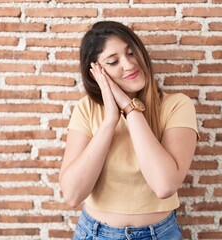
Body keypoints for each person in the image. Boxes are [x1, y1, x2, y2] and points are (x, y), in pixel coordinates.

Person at [59, 21, 198, 240]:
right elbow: (73, 194)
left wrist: (129, 108)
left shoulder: (177, 105)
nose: (129, 64)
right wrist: (110, 120)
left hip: (159, 234)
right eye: (113, 61)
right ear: (97, 73)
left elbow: (164, 186)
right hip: (95, 233)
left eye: (132, 52)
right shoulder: (87, 108)